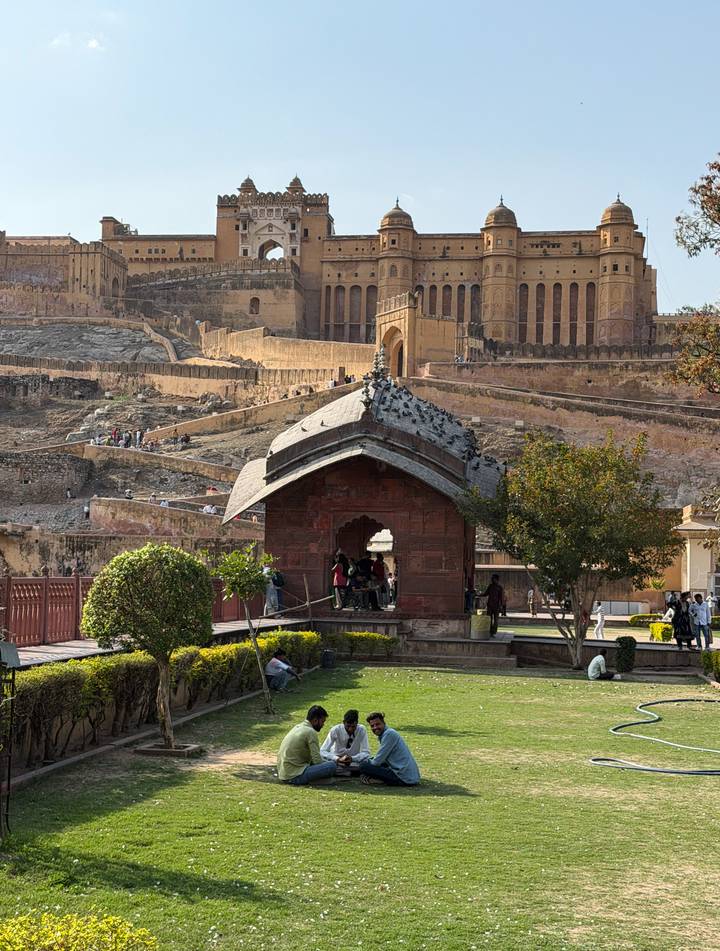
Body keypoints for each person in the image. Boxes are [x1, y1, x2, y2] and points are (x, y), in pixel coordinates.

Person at [277, 705, 337, 786]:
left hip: (284, 774)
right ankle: (314, 780)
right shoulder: (310, 732)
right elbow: (317, 761)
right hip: (294, 776)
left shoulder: (298, 727)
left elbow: (313, 759)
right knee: (332, 766)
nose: (323, 725)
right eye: (322, 721)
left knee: (328, 764)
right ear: (315, 720)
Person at [359, 712, 420, 786]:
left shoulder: (389, 734)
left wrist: (365, 762)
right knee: (374, 765)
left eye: (377, 724)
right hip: (409, 775)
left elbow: (376, 762)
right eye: (372, 726)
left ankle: (377, 780)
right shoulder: (386, 733)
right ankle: (376, 778)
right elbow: (382, 759)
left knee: (363, 766)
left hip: (404, 778)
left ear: (384, 723)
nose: (375, 727)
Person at [320, 709, 371, 773]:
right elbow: (322, 751)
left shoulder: (361, 730)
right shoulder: (335, 730)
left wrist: (352, 758)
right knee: (326, 762)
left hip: (353, 761)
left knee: (366, 762)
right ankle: (348, 772)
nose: (350, 729)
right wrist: (337, 758)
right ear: (343, 722)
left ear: (357, 723)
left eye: (353, 727)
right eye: (348, 726)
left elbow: (366, 752)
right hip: (336, 760)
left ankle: (344, 772)